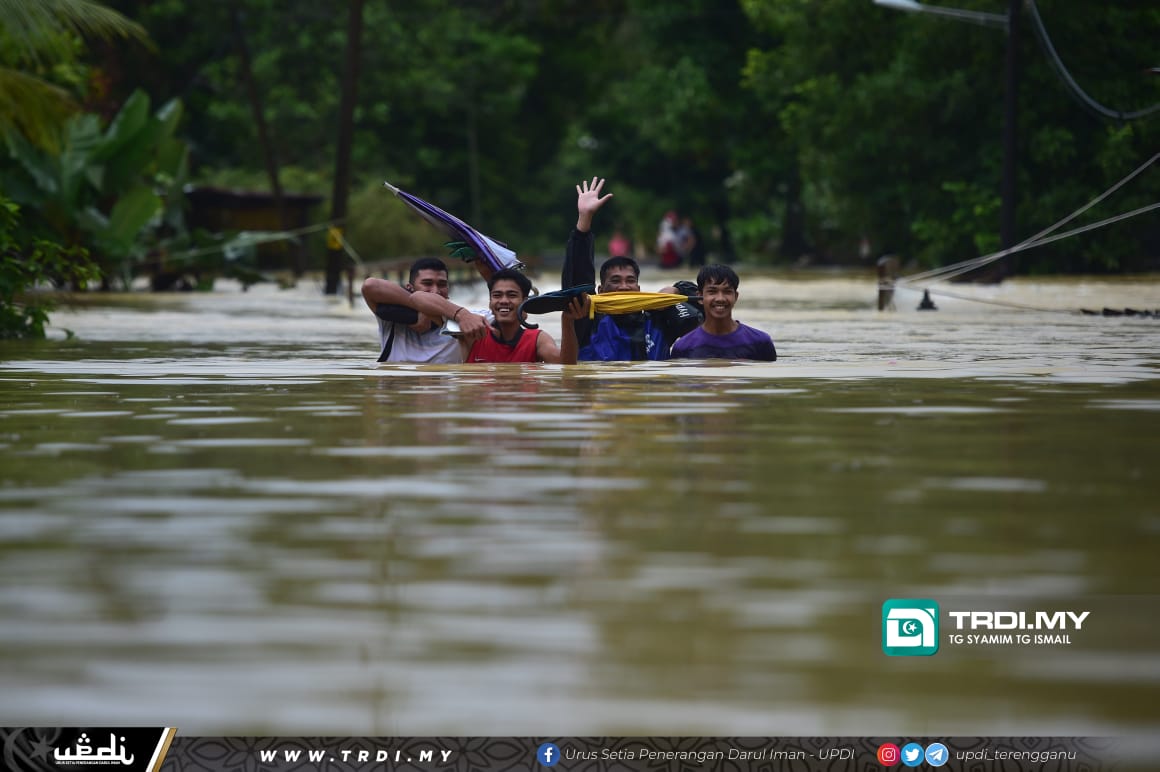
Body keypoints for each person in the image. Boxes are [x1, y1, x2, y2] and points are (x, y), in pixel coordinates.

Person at [561, 178, 702, 361]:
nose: (624, 287)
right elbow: (577, 280)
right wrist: (584, 222)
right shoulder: (587, 320)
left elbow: (705, 301)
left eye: (630, 281)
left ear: (638, 289)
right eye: (615, 281)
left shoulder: (657, 319)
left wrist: (677, 289)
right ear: (600, 291)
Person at [360, 257, 491, 363]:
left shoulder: (467, 320)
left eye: (442, 284)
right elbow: (370, 286)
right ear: (409, 288)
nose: (435, 291)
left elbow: (507, 312)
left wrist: (462, 315)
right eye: (427, 283)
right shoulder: (390, 316)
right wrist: (420, 306)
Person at [457, 269, 580, 364]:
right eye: (497, 295)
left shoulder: (538, 339)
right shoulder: (472, 334)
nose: (504, 300)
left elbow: (565, 366)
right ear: (490, 302)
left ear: (524, 302)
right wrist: (461, 314)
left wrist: (567, 321)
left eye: (512, 295)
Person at [669, 264, 777, 361]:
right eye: (712, 291)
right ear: (700, 297)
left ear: (736, 296)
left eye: (727, 292)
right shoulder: (683, 347)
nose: (720, 298)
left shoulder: (760, 342)